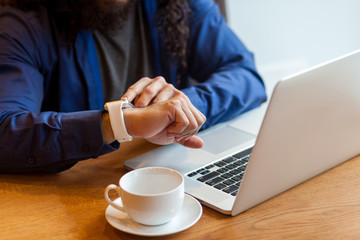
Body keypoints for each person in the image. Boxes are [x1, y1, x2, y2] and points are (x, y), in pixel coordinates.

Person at [0, 0, 266, 173]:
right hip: (73, 197)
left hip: (166, 181)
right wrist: (118, 123)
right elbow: (5, 129)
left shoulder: (182, 4)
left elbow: (244, 76)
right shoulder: (23, 23)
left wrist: (180, 107)